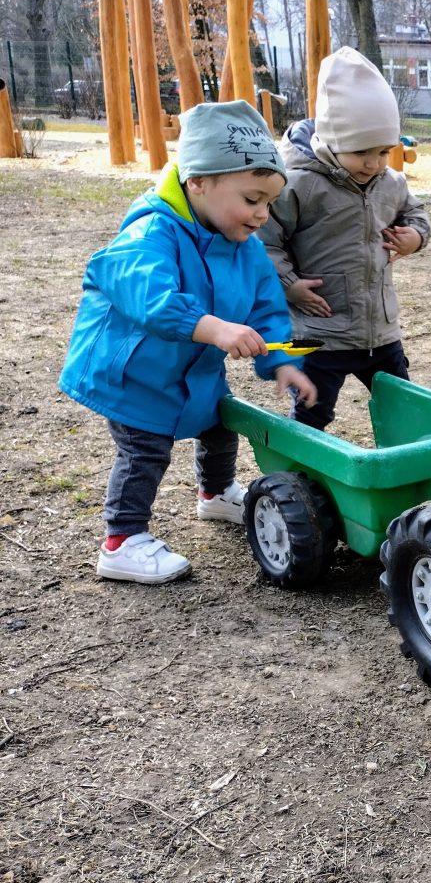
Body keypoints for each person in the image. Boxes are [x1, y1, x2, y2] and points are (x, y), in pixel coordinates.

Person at [59, 100, 317, 586]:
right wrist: (216, 329)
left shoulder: (246, 248)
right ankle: (122, 541)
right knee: (144, 451)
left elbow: (267, 308)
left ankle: (215, 493)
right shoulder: (150, 231)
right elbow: (150, 299)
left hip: (193, 371)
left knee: (219, 426)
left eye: (268, 203)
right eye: (251, 199)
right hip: (135, 373)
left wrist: (282, 361)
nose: (262, 215)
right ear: (198, 182)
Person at [258, 47, 431, 431]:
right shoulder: (298, 183)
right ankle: (300, 467)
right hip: (317, 333)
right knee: (312, 413)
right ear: (331, 141)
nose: (374, 162)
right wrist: (289, 285)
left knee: (403, 410)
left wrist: (415, 238)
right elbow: (263, 240)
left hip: (379, 332)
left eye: (384, 151)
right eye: (360, 151)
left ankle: (403, 462)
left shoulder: (390, 182)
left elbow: (417, 215)